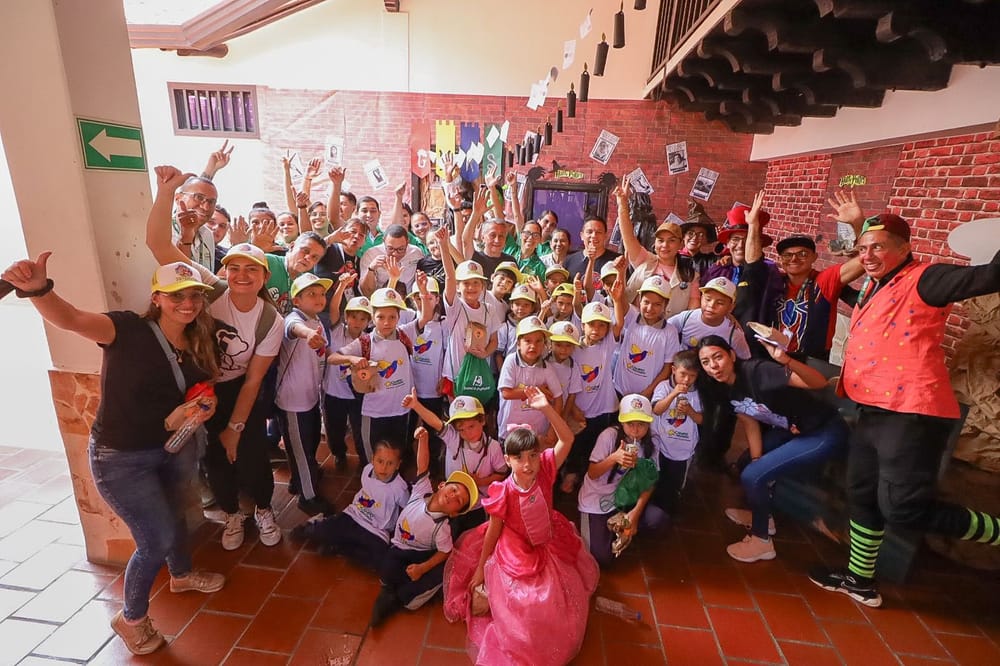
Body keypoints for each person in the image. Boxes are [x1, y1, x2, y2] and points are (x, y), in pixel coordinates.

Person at [1, 254, 226, 655]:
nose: (187, 304)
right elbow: (70, 318)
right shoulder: (125, 328)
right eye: (177, 296)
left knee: (177, 512)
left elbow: (198, 386)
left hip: (173, 448)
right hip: (121, 458)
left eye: (194, 295)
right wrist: (38, 290)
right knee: (154, 538)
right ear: (157, 297)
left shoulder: (199, 338)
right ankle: (131, 619)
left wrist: (201, 403)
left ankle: (181, 574)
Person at [807, 215, 1000, 607]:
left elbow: (990, 276)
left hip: (911, 414)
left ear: (904, 248)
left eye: (878, 247)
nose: (869, 255)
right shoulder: (875, 286)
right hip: (872, 409)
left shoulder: (927, 279)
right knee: (860, 493)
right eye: (863, 249)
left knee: (903, 508)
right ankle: (860, 581)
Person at [147, 166, 285, 554]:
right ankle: (231, 512)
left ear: (263, 276)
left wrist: (237, 426)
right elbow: (158, 243)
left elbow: (254, 380)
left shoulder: (270, 319)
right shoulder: (210, 289)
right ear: (225, 271)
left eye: (252, 270)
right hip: (203, 388)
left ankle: (262, 508)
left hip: (242, 389)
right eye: (235, 268)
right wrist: (167, 190)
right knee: (215, 456)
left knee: (251, 451)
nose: (242, 276)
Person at [442, 388, 599, 666]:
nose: (527, 465)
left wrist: (545, 408)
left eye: (532, 456)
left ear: (540, 456)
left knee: (557, 592)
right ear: (507, 459)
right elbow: (493, 529)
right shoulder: (504, 491)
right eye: (519, 458)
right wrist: (480, 566)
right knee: (527, 599)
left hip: (546, 538)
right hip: (515, 549)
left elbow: (568, 438)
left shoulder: (547, 469)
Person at [698, 335, 848, 562]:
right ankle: (763, 517)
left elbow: (818, 382)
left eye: (718, 357)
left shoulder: (757, 371)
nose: (713, 366)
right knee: (750, 465)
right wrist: (758, 460)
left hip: (823, 430)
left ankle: (762, 542)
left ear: (732, 355)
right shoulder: (723, 389)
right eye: (705, 362)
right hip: (792, 429)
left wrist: (786, 360)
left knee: (752, 476)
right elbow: (750, 422)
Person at [370, 427, 479, 626]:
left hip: (421, 555)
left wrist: (422, 568)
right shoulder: (422, 490)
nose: (454, 495)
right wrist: (424, 439)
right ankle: (392, 590)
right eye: (454, 489)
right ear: (441, 485)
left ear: (454, 513)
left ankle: (402, 599)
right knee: (386, 575)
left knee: (411, 597)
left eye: (459, 500)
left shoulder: (443, 527)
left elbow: (444, 552)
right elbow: (423, 465)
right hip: (399, 547)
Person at [742, 190, 864, 361]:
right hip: (772, 355)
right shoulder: (775, 281)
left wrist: (858, 225)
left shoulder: (823, 281)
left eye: (803, 254)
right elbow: (752, 264)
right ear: (781, 259)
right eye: (787, 255)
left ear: (814, 257)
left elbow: (864, 260)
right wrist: (753, 226)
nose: (794, 259)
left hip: (810, 360)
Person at [328, 287, 422, 466]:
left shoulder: (404, 335)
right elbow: (333, 358)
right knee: (370, 457)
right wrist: (352, 358)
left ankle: (393, 487)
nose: (386, 322)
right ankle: (370, 486)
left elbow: (424, 318)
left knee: (395, 453)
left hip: (401, 409)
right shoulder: (365, 342)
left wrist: (424, 294)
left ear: (398, 317)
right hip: (373, 411)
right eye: (381, 317)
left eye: (392, 317)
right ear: (373, 318)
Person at [578, 394, 667, 567]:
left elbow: (650, 481)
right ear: (621, 422)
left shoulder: (651, 443)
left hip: (625, 499)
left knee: (657, 519)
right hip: (597, 500)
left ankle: (625, 525)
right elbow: (592, 473)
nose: (635, 430)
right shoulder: (609, 437)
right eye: (630, 424)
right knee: (600, 558)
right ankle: (615, 529)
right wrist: (614, 458)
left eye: (641, 424)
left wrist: (635, 513)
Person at [293, 438, 409, 569]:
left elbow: (408, 509)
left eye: (390, 463)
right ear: (373, 459)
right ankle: (312, 526)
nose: (384, 467)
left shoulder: (399, 487)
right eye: (380, 461)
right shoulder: (367, 470)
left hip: (376, 530)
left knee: (381, 560)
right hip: (353, 516)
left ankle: (340, 547)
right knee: (323, 530)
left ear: (398, 465)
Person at [403, 393, 507, 537]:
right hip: (451, 503)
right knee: (448, 537)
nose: (467, 433)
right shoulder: (453, 438)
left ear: (482, 420)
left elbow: (501, 474)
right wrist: (416, 406)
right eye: (461, 429)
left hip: (477, 504)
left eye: (471, 426)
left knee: (472, 539)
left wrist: (481, 481)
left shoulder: (493, 447)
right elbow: (435, 422)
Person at [275, 273, 336, 516]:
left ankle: (299, 479)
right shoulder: (294, 319)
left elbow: (324, 354)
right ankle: (308, 497)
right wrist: (308, 334)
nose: (319, 298)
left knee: (307, 443)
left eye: (321, 293)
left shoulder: (317, 321)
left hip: (310, 396)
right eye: (311, 294)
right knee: (299, 447)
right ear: (297, 300)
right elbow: (294, 329)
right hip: (293, 400)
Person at [614, 176, 700, 315]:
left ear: (680, 244)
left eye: (671, 240)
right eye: (660, 240)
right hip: (636, 327)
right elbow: (628, 236)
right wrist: (623, 204)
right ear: (655, 243)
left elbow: (693, 312)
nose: (665, 245)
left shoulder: (689, 275)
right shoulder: (645, 260)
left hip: (668, 332)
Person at [650, 350, 704, 515]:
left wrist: (690, 411)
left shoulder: (698, 393)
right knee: (656, 478)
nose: (687, 380)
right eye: (683, 374)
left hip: (683, 449)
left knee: (675, 483)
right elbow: (657, 409)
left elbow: (701, 420)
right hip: (660, 445)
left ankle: (669, 510)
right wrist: (674, 394)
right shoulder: (663, 387)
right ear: (673, 370)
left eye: (692, 376)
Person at [612, 275, 682, 399]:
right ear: (639, 300)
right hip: (619, 390)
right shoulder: (632, 317)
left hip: (647, 395)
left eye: (657, 304)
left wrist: (648, 392)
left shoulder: (670, 332)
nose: (650, 308)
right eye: (646, 302)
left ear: (665, 305)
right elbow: (620, 298)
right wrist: (621, 272)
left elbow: (667, 369)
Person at [322, 287, 370, 467]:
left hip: (357, 394)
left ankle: (364, 461)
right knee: (334, 429)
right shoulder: (337, 331)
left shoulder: (367, 340)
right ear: (346, 317)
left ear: (367, 322)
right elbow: (334, 308)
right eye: (353, 317)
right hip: (333, 391)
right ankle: (339, 453)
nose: (357, 322)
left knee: (359, 429)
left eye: (363, 318)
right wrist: (341, 286)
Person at [497, 316, 564, 442]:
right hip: (510, 432)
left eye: (539, 341)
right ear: (518, 343)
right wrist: (539, 391)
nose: (533, 346)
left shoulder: (547, 368)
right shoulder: (511, 361)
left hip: (538, 432)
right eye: (527, 341)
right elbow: (506, 393)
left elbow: (558, 399)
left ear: (545, 344)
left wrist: (552, 429)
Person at [358, 224, 424, 296]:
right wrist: (371, 269)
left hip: (408, 299)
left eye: (400, 249)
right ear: (384, 241)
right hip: (381, 301)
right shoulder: (371, 255)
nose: (395, 254)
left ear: (407, 242)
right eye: (390, 249)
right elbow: (366, 292)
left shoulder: (416, 252)